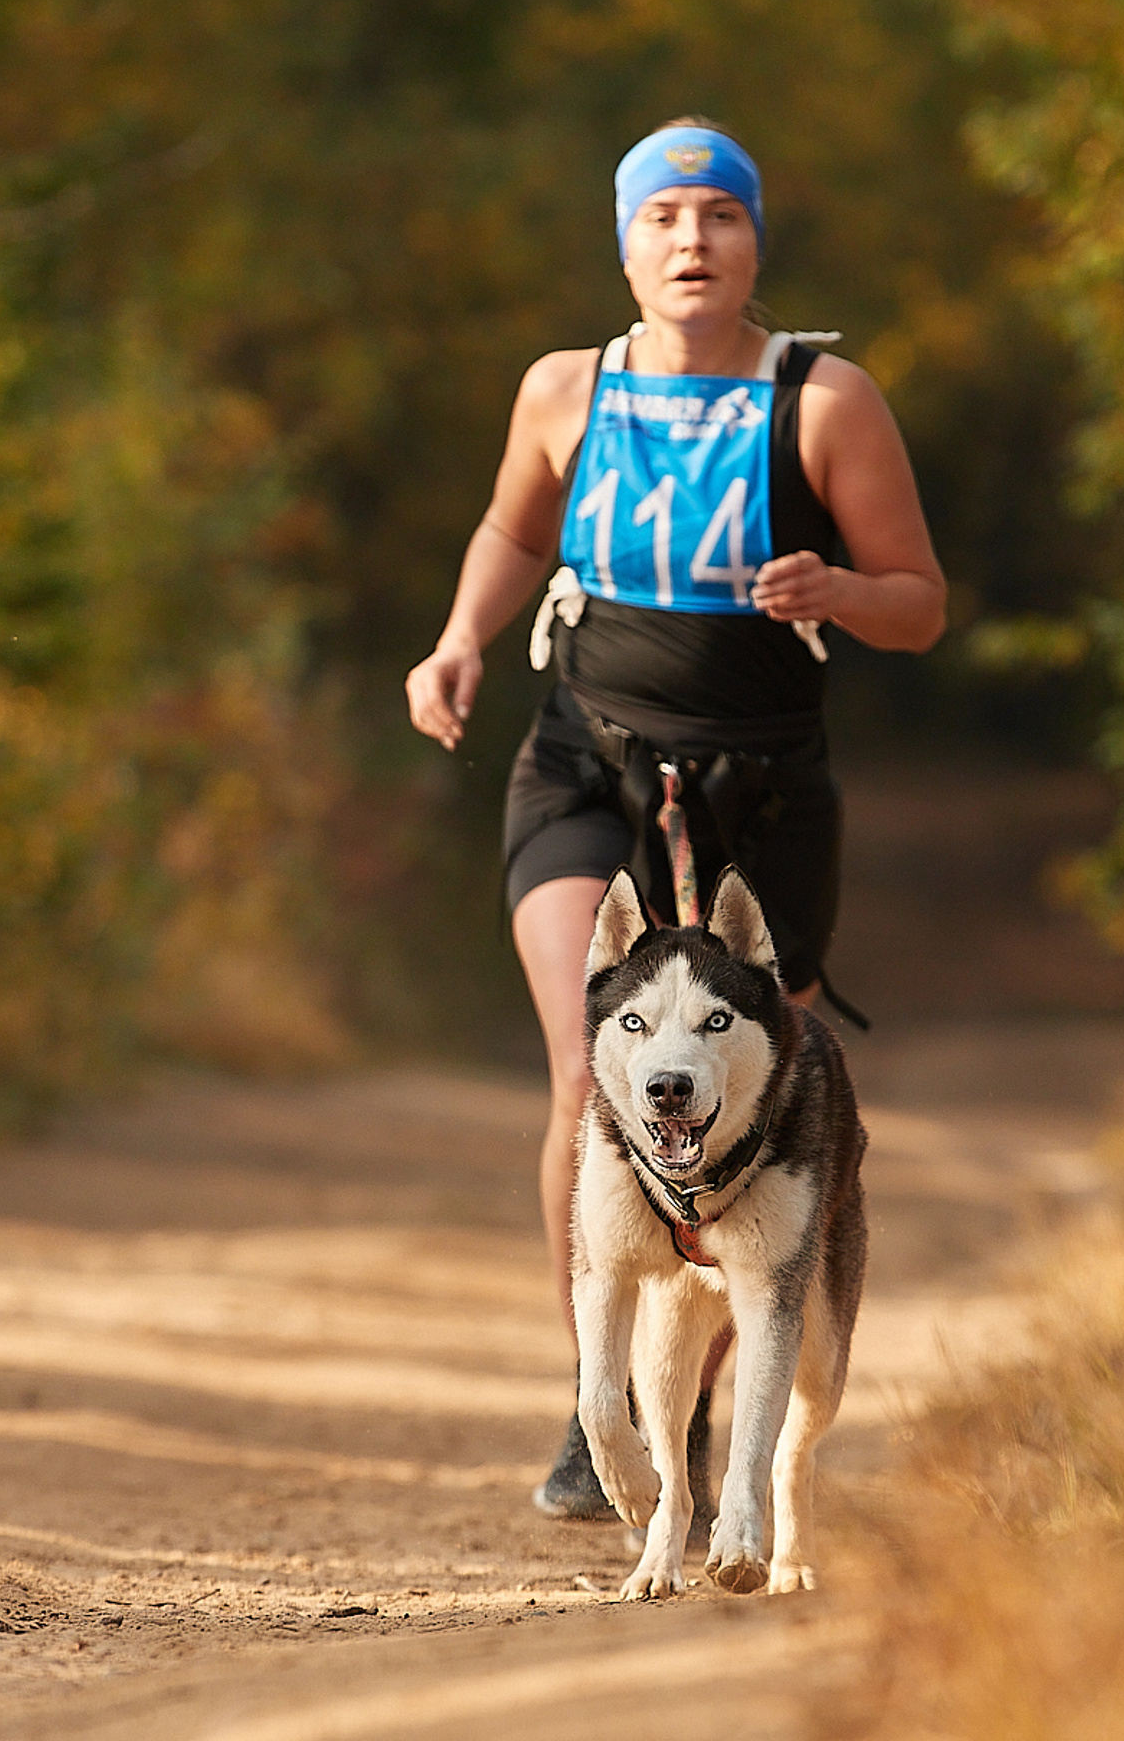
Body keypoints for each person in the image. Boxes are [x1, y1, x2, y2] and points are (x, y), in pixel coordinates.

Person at [404, 120, 947, 1516]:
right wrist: (464, 635)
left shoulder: (821, 403)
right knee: (595, 1072)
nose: (691, 241)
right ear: (625, 241)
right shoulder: (563, 389)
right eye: (663, 217)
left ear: (756, 239)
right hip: (582, 769)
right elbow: (518, 534)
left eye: (718, 216)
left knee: (761, 1103)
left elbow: (921, 605)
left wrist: (835, 592)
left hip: (761, 797)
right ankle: (600, 1408)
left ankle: (698, 1402)